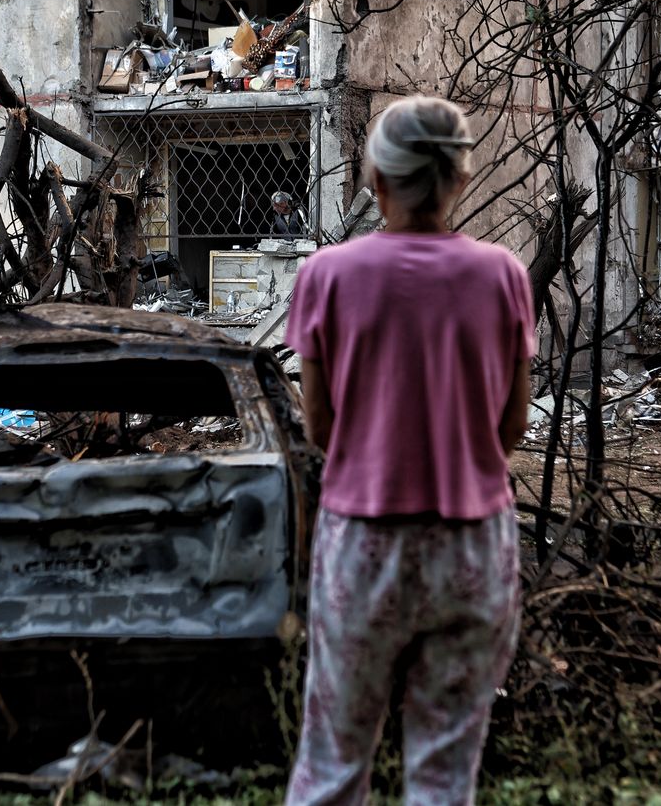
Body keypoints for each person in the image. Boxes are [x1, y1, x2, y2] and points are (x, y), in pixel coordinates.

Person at [284, 95, 535, 806]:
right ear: (459, 178)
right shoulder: (503, 276)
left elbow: (320, 428)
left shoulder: (326, 276)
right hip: (472, 546)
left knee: (333, 760)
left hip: (364, 544)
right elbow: (511, 426)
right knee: (445, 772)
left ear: (376, 179)